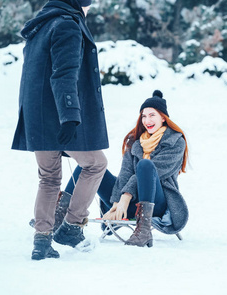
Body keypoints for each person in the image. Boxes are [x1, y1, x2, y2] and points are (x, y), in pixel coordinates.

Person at [11, 0, 109, 260]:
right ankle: (72, 226)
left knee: (49, 179)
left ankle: (41, 242)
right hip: (58, 116)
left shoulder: (41, 25)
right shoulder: (67, 25)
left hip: (37, 117)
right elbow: (64, 74)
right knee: (96, 163)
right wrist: (69, 117)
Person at [54, 90, 189, 247]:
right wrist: (117, 203)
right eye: (144, 116)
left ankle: (144, 230)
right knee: (90, 166)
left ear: (163, 118)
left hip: (156, 204)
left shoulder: (175, 142)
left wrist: (125, 197)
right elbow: (125, 174)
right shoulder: (135, 142)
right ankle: (58, 217)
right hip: (125, 205)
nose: (147, 120)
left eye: (152, 115)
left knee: (146, 165)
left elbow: (156, 172)